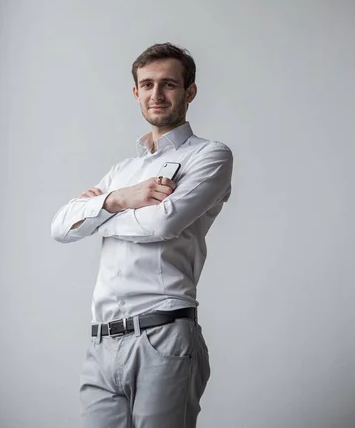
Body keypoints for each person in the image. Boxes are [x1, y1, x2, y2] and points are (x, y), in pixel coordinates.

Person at [51, 42, 233, 428]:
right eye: (147, 85)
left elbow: (161, 224)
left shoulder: (210, 156)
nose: (156, 94)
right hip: (101, 344)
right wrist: (121, 198)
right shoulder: (121, 172)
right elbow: (61, 227)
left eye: (168, 84)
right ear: (136, 93)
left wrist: (100, 215)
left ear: (190, 91)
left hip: (163, 335)